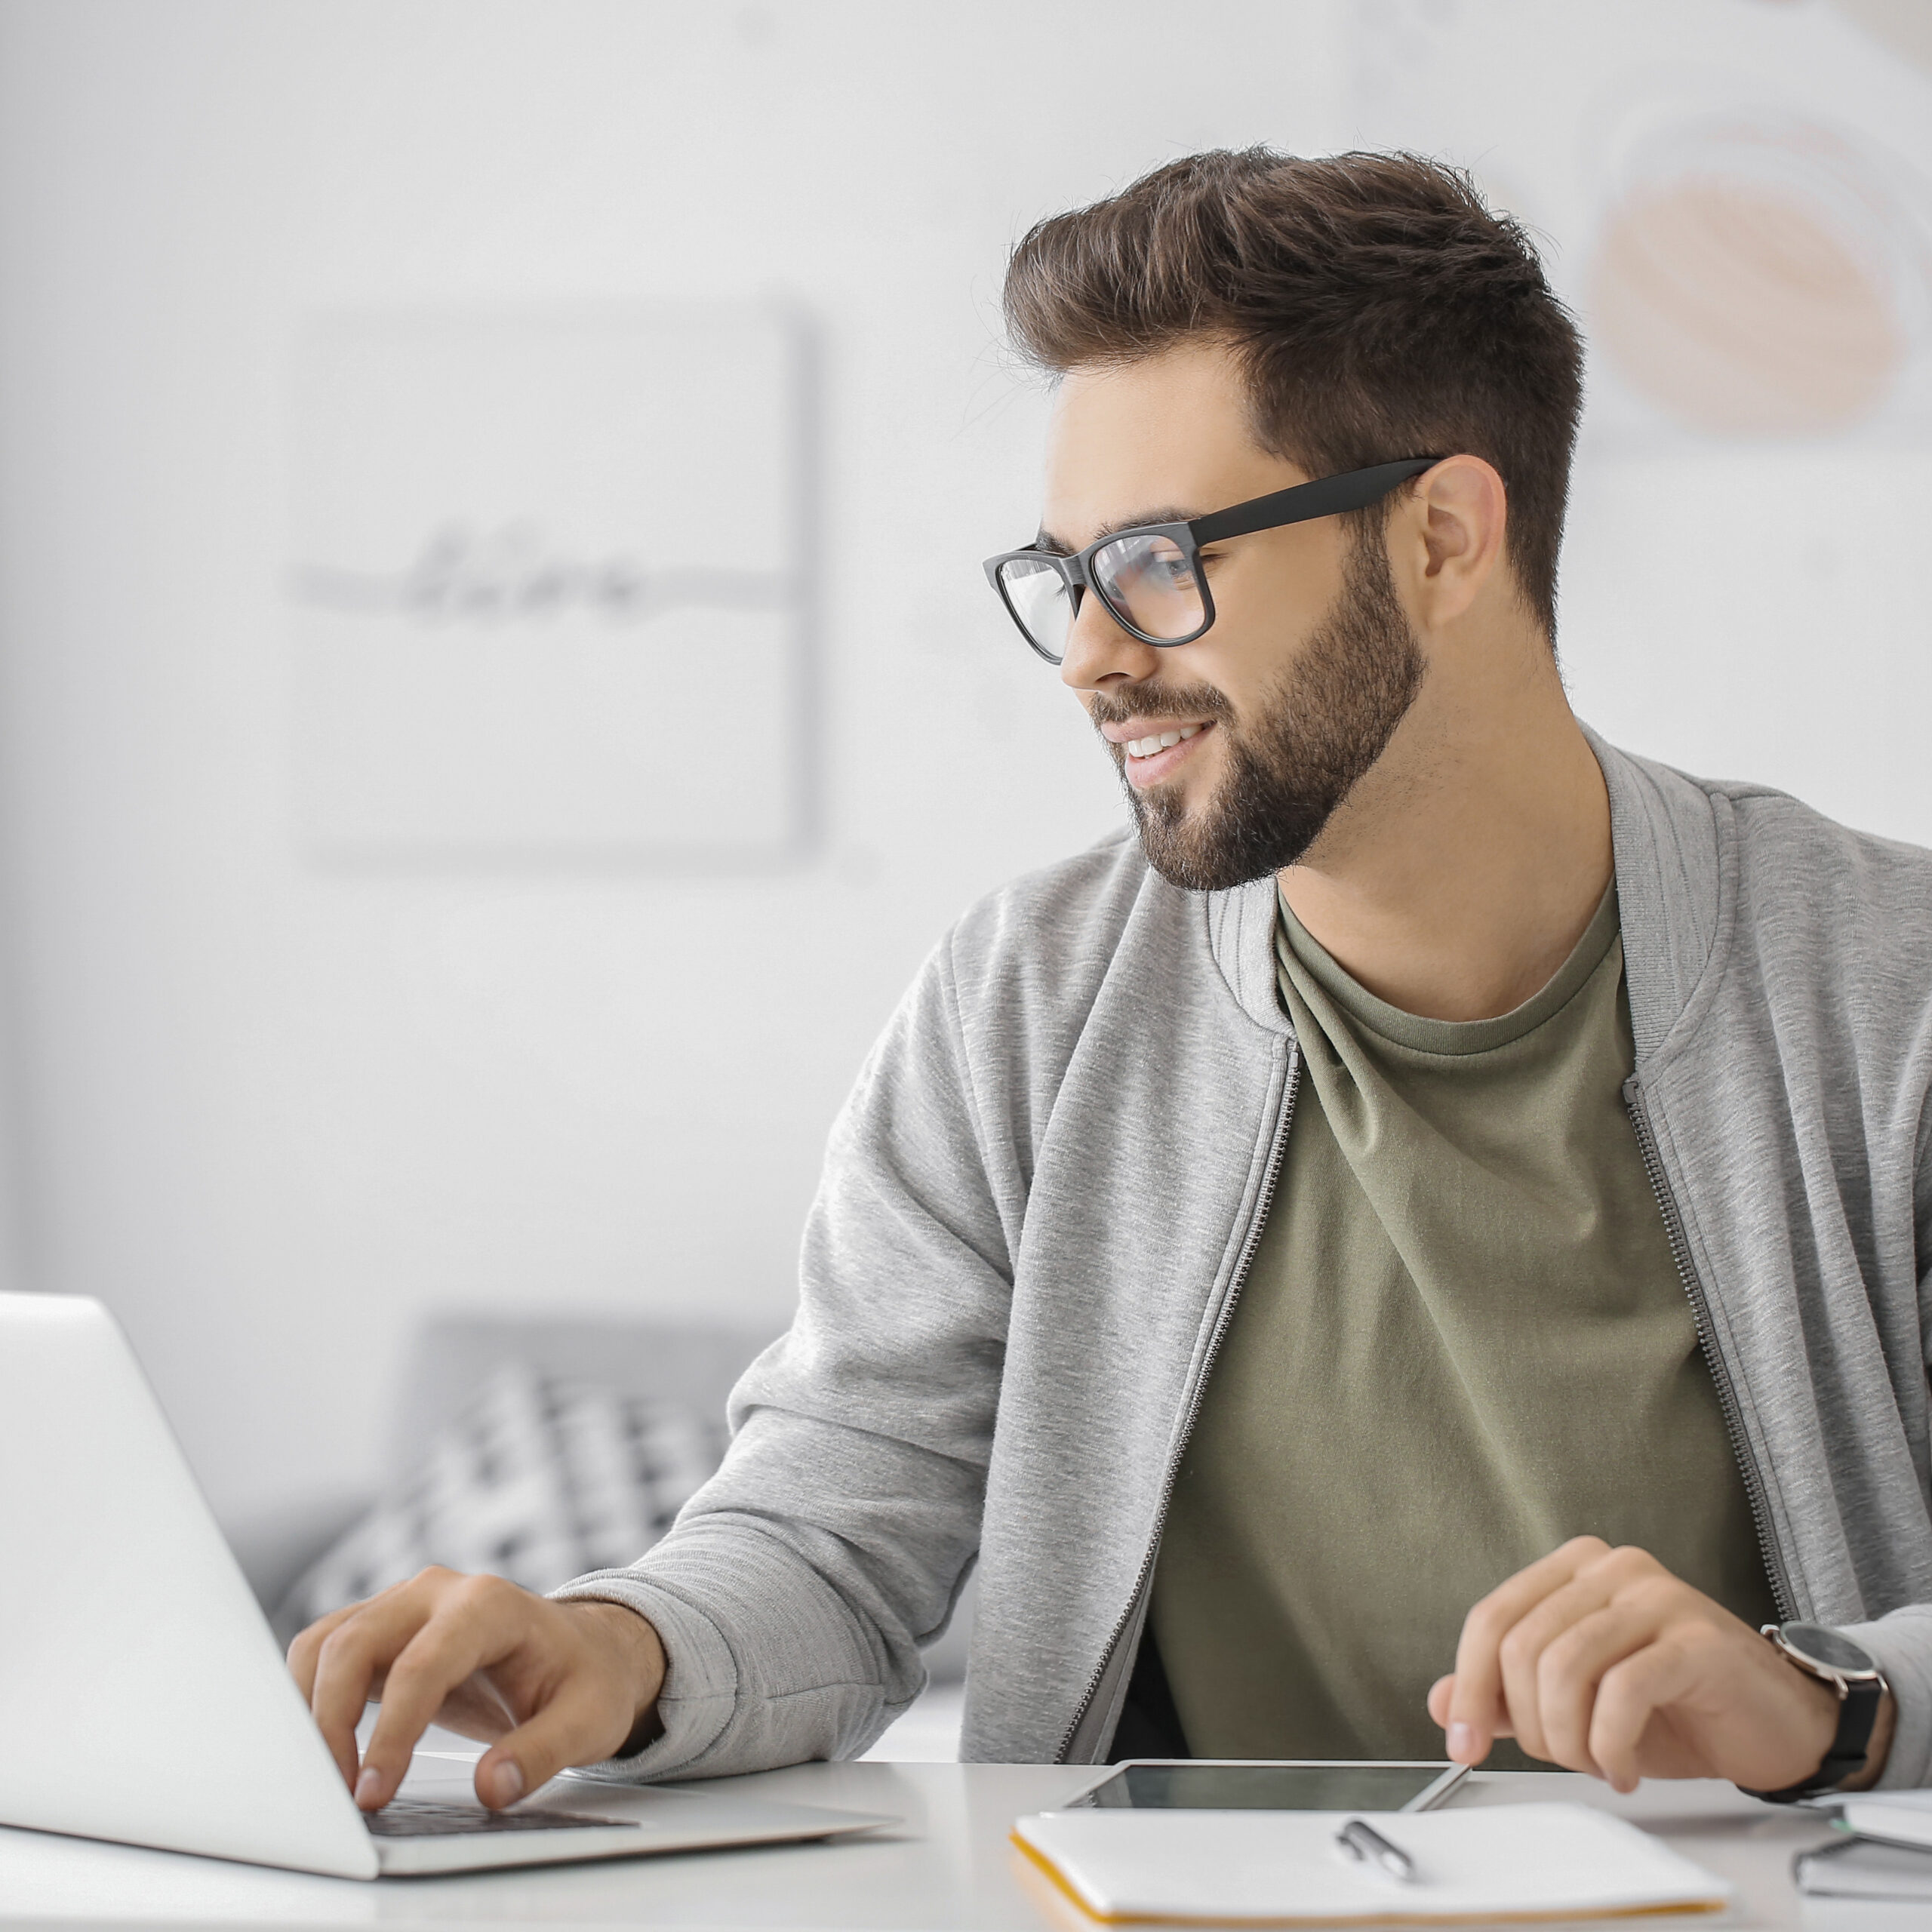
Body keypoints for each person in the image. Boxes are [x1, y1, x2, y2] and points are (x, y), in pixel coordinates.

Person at [291, 147, 1932, 1815]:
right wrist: (619, 1644)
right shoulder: (1024, 1003)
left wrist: (1830, 1700)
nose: (1088, 652)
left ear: (1442, 536)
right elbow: (834, 1530)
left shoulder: (1891, 994)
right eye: (1066, 575)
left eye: (1159, 559)